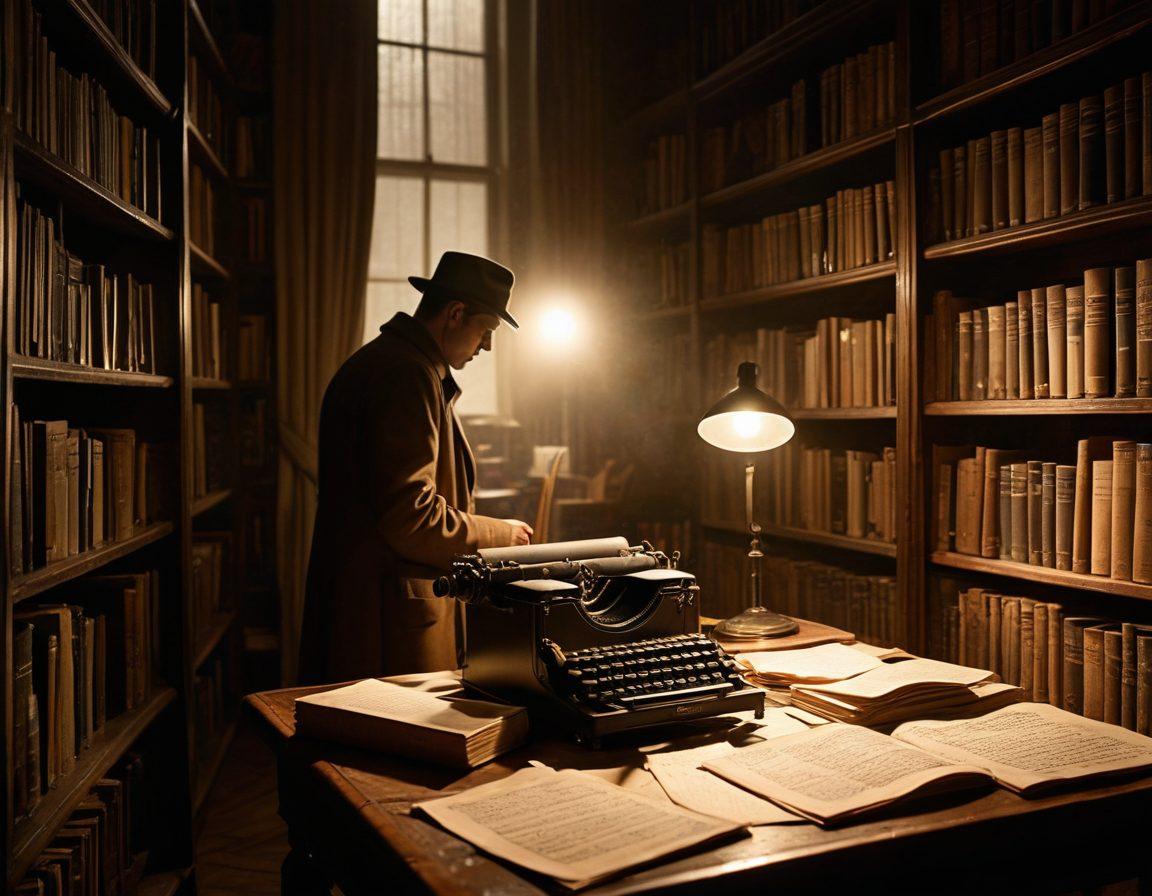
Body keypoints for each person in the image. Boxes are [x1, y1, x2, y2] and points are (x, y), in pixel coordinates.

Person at [298, 251, 534, 684]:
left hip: (372, 608)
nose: (487, 346)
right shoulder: (407, 375)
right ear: (456, 314)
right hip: (385, 625)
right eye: (486, 329)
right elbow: (411, 517)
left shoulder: (394, 363)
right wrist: (503, 537)